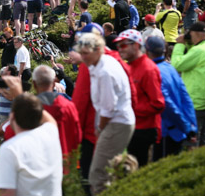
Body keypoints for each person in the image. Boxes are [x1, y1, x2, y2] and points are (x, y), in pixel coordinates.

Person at [75, 33, 135, 195]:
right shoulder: (102, 63)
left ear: (98, 50)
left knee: (97, 175)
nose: (83, 57)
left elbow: (108, 107)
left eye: (86, 53)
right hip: (117, 122)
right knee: (106, 171)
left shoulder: (104, 71)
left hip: (116, 123)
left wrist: (99, 128)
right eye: (81, 53)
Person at [0, 77, 62, 196]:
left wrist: (18, 97)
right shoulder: (50, 133)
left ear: (12, 118)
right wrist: (20, 95)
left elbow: (7, 193)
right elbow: (47, 118)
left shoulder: (9, 150)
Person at [114, 29, 165, 167]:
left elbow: (158, 104)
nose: (120, 49)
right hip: (132, 127)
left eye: (123, 45)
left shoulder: (148, 69)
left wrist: (131, 109)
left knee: (138, 169)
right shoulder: (128, 66)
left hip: (144, 130)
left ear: (136, 45)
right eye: (118, 46)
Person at [143, 36, 197, 160]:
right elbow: (186, 98)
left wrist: (186, 127)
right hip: (178, 130)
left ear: (146, 52)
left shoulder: (154, 71)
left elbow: (167, 104)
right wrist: (192, 126)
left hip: (166, 131)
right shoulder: (171, 68)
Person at [171, 21, 205, 146]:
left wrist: (179, 44)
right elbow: (194, 59)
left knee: (191, 145)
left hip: (195, 104)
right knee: (203, 142)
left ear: (195, 34)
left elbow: (177, 65)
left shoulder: (199, 51)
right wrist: (189, 44)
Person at [31, 65, 81, 162]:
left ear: (34, 84)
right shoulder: (69, 106)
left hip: (40, 164)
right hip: (67, 163)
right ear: (54, 83)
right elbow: (78, 135)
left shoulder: (28, 108)